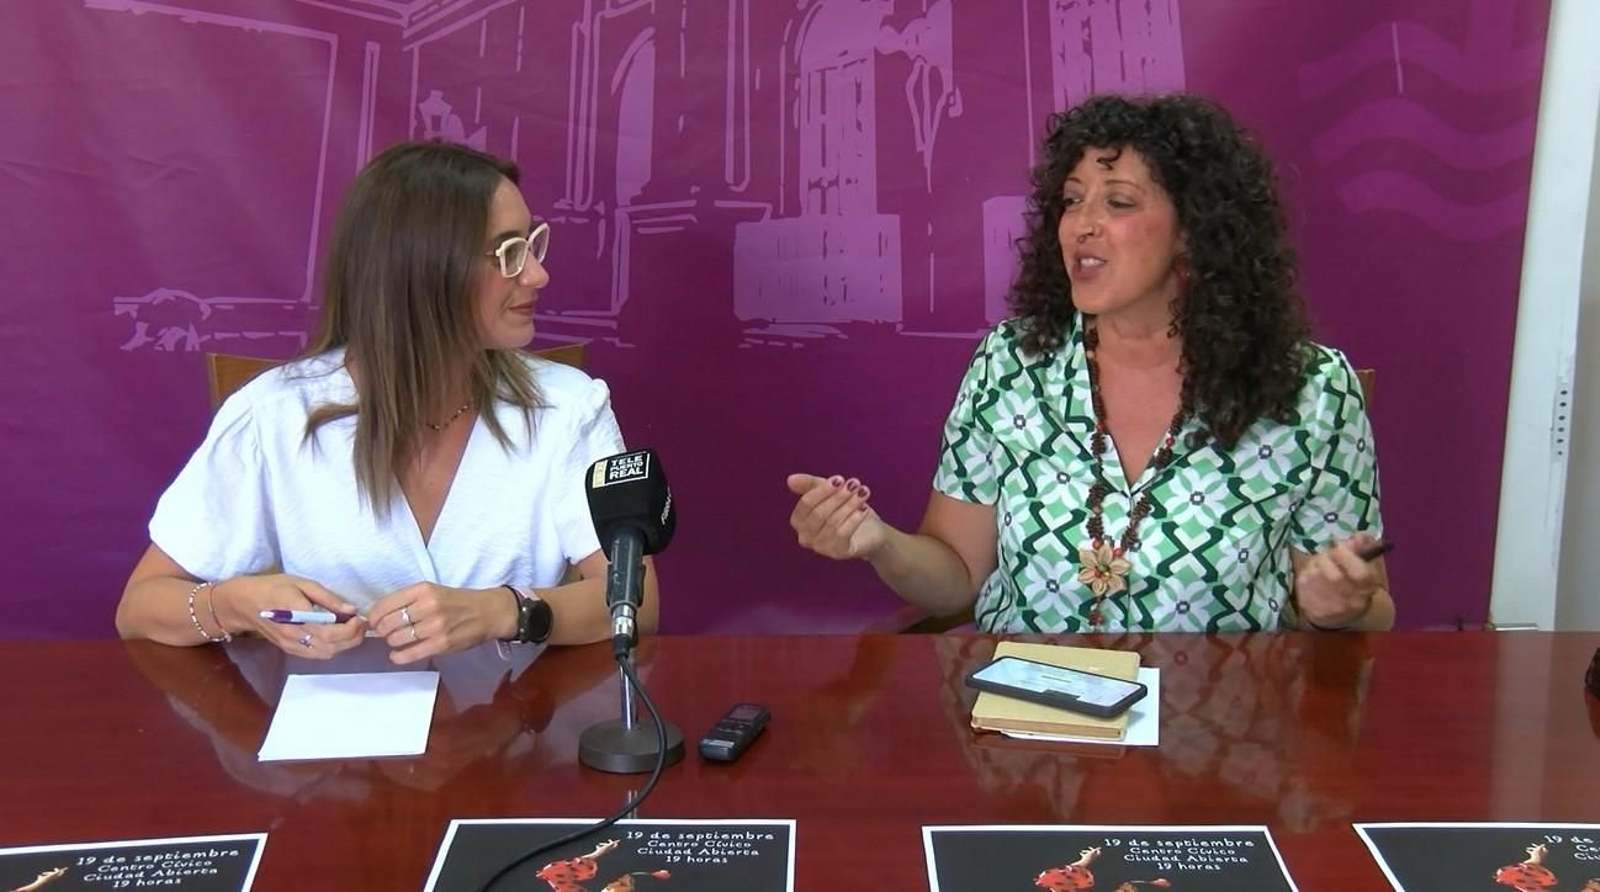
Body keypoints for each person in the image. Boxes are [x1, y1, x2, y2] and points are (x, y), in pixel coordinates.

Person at [788, 93, 1390, 634]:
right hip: (1028, 725)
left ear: (1194, 231)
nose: (1083, 224)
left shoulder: (1311, 390)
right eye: (1072, 201)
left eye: (1119, 202)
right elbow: (958, 576)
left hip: (1216, 732)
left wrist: (1340, 607)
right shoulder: (1012, 365)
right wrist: (880, 544)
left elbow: (1373, 610)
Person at [116, 141, 656, 660]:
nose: (538, 274)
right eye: (509, 254)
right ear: (422, 271)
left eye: (532, 246)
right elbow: (139, 610)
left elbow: (640, 602)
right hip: (328, 742)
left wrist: (505, 611)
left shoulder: (568, 409)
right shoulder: (271, 415)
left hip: (518, 730)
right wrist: (231, 605)